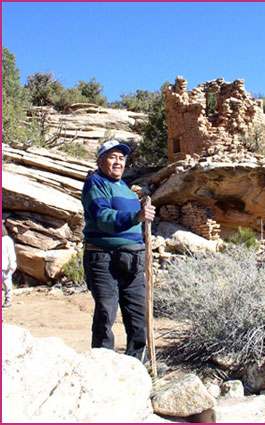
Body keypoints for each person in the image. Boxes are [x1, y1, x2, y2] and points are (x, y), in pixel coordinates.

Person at [81, 139, 155, 362]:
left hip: (132, 260)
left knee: (137, 314)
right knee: (106, 312)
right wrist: (137, 216)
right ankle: (103, 365)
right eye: (112, 157)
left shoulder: (126, 189)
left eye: (121, 158)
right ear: (101, 161)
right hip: (103, 258)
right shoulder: (96, 182)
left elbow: (135, 222)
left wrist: (143, 217)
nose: (118, 162)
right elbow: (102, 218)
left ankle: (137, 364)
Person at [2, 224, 17, 308]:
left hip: (6, 267)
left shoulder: (7, 240)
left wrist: (13, 264)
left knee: (7, 284)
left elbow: (11, 253)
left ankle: (8, 300)